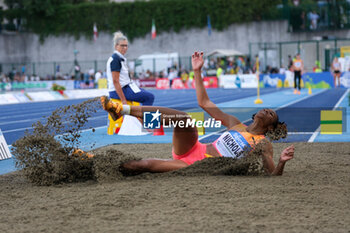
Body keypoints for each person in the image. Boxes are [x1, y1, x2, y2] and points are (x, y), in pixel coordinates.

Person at [98, 52, 294, 176]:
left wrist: (281, 162)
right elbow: (204, 102)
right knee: (184, 120)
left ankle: (98, 165)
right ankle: (122, 110)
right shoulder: (235, 124)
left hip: (199, 165)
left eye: (272, 115)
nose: (268, 110)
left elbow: (272, 174)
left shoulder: (263, 143)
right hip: (193, 148)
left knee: (146, 165)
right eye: (267, 109)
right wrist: (197, 72)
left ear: (270, 127)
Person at [107, 31, 154, 105]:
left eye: (126, 45)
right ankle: (144, 116)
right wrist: (123, 100)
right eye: (122, 45)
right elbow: (115, 81)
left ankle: (141, 116)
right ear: (116, 46)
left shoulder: (120, 58)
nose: (125, 48)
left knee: (147, 94)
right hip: (119, 91)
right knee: (149, 97)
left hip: (127, 87)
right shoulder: (116, 59)